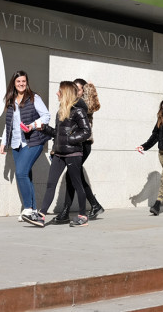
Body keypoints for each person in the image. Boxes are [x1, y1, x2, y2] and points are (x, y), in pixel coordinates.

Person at [36, 81, 92, 227]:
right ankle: (41, 216)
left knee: (77, 184)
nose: (57, 93)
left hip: (73, 153)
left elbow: (86, 132)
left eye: (59, 91)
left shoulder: (78, 111)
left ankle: (82, 216)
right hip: (59, 153)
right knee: (50, 184)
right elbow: (57, 133)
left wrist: (70, 139)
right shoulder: (60, 111)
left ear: (65, 93)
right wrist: (43, 128)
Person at [0, 70, 50, 227]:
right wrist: (3, 141)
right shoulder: (11, 99)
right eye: (18, 81)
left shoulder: (34, 98)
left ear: (27, 82)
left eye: (23, 81)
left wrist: (33, 125)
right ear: (14, 83)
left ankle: (27, 208)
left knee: (20, 173)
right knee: (26, 175)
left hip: (33, 141)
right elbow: (10, 123)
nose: (21, 84)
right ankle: (33, 211)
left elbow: (46, 116)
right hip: (16, 143)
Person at [54, 78, 104, 224]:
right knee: (75, 177)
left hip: (83, 144)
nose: (75, 91)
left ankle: (66, 212)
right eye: (74, 88)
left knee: (72, 177)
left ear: (84, 91)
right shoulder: (74, 103)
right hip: (75, 144)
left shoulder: (81, 104)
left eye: (79, 89)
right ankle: (95, 205)